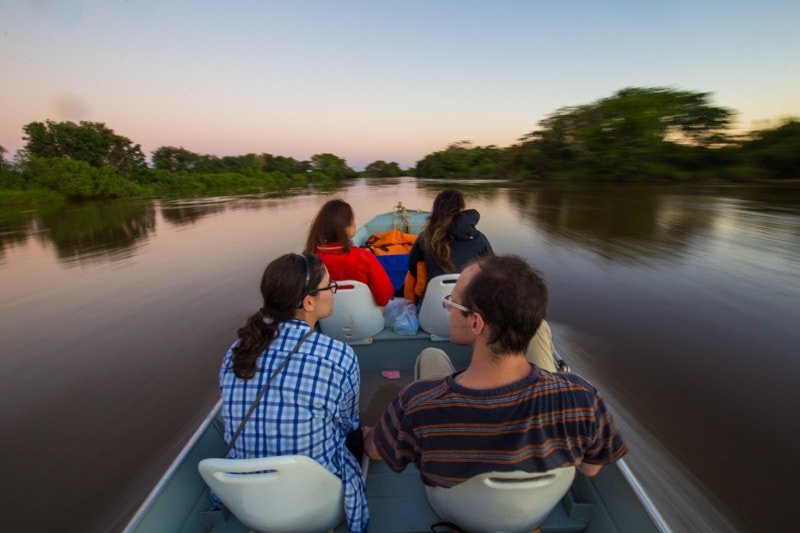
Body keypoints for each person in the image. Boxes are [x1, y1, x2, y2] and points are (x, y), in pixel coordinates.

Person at [364, 254, 627, 489]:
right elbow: (591, 469)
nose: (449, 310)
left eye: (452, 304)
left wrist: (367, 436)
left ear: (476, 322)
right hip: (535, 509)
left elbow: (376, 451)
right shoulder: (583, 397)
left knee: (431, 355)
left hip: (451, 508)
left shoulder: (420, 402)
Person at [219, 253, 367, 532]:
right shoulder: (338, 355)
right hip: (315, 504)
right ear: (308, 302)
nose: (333, 292)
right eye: (329, 286)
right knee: (357, 433)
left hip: (250, 504)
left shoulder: (235, 352)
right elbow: (348, 423)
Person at [407, 189, 555, 370]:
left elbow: (413, 269)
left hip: (431, 319)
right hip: (473, 322)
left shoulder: (424, 239)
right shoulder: (478, 239)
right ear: (462, 209)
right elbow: (496, 279)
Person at [305, 198, 395, 306]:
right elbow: (384, 299)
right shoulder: (364, 257)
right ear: (344, 228)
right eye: (352, 220)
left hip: (327, 321)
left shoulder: (309, 260)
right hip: (370, 320)